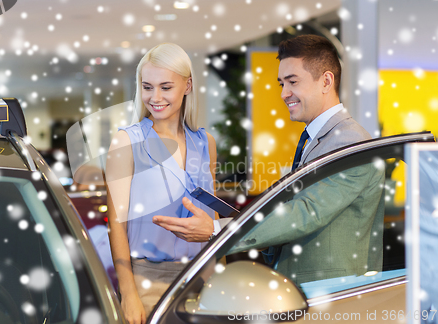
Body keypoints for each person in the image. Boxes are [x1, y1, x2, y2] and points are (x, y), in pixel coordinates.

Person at [152, 35, 385, 284]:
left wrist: (217, 230)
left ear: (326, 81)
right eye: (281, 83)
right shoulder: (319, 138)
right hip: (311, 288)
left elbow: (305, 213)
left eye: (292, 82)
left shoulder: (348, 140)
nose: (284, 94)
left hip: (334, 293)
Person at [105, 43, 218, 324]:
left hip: (203, 278)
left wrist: (218, 278)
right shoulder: (127, 142)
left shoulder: (205, 143)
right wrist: (129, 293)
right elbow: (116, 225)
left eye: (166, 87)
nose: (155, 97)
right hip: (148, 282)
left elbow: (212, 218)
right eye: (147, 87)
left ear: (187, 86)